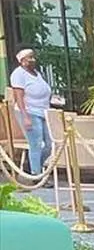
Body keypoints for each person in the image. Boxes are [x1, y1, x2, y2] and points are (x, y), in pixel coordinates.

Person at [8, 49, 54, 179]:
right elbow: (19, 97)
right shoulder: (18, 74)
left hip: (43, 111)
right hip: (29, 112)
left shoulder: (37, 74)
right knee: (36, 143)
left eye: (33, 57)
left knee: (49, 144)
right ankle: (36, 175)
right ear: (22, 61)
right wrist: (25, 117)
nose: (33, 60)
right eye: (29, 58)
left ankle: (32, 164)